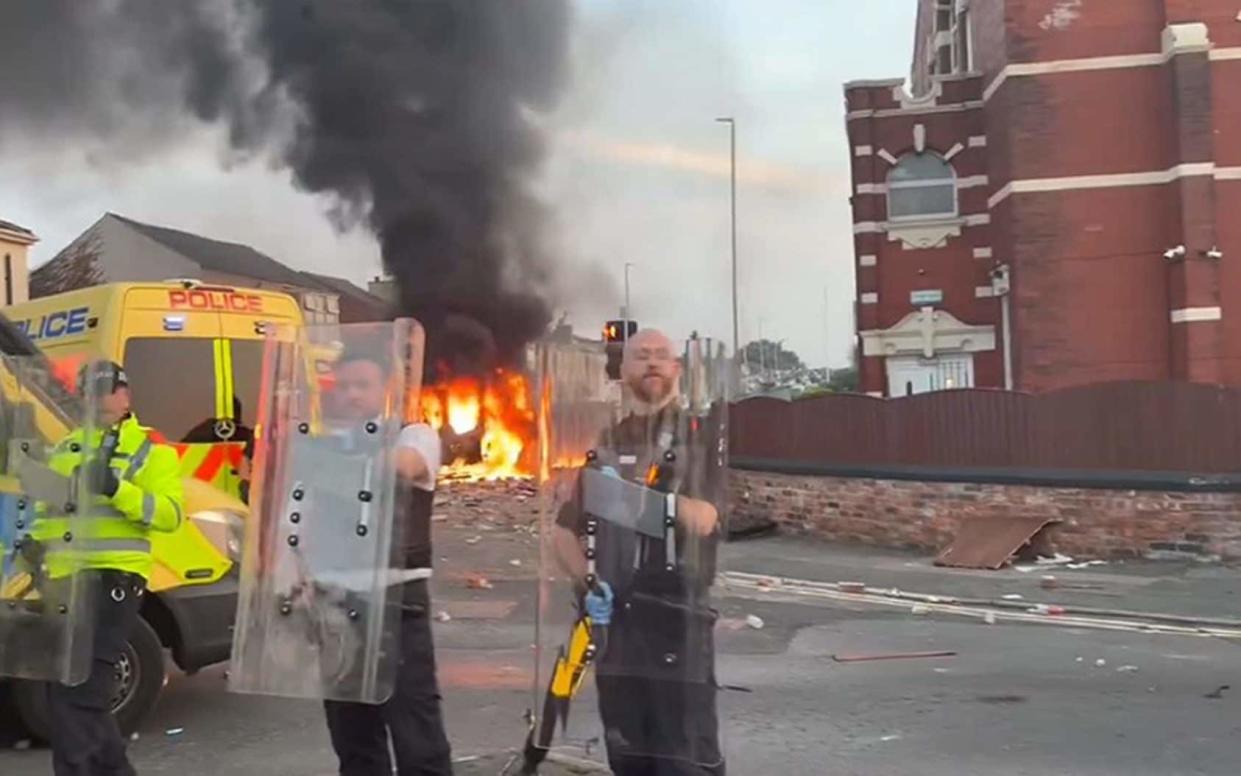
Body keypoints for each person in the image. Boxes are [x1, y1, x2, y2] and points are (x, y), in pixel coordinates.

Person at [553, 329, 725, 776]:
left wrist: (632, 501)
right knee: (629, 757)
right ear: (623, 370)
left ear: (676, 369)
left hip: (677, 625)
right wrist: (585, 585)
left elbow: (706, 517)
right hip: (619, 631)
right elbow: (564, 533)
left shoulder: (700, 436)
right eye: (640, 356)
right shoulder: (608, 442)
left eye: (661, 356)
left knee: (685, 759)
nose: (651, 364)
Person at [31, 360, 185, 776]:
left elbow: (170, 513)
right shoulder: (65, 447)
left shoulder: (151, 449)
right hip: (64, 583)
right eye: (89, 390)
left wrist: (118, 489)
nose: (98, 398)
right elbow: (51, 509)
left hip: (114, 578)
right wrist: (34, 545)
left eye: (106, 389)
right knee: (66, 690)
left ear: (125, 394)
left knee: (77, 692)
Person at [321, 349, 453, 776]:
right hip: (338, 604)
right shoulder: (323, 443)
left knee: (418, 741)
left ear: (386, 390)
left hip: (397, 603)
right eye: (343, 386)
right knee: (354, 741)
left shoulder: (414, 435)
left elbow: (404, 466)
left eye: (362, 385)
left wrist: (325, 456)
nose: (352, 394)